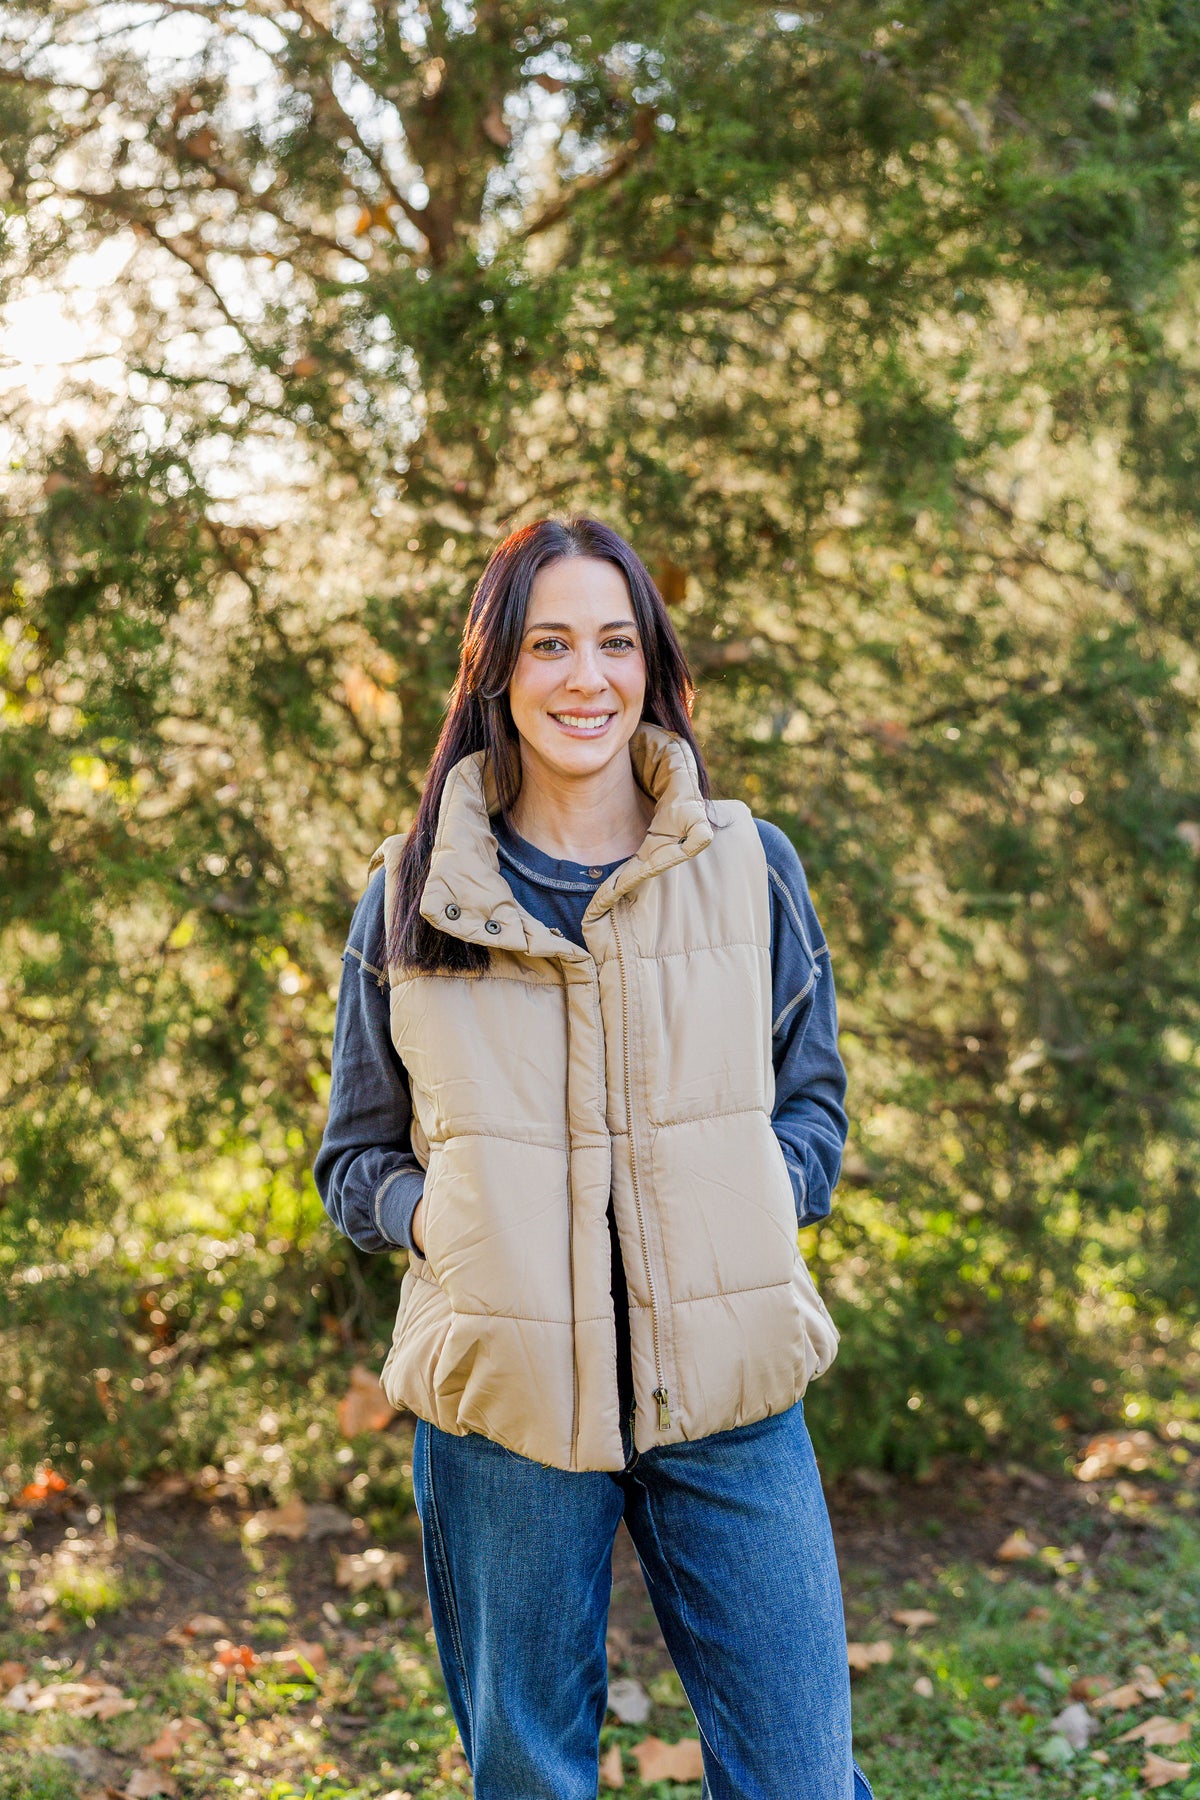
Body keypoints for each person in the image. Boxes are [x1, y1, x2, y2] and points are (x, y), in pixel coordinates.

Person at [313, 515, 874, 1800]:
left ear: (651, 662)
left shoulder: (748, 867)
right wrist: (457, 1224)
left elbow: (814, 1104)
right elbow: (356, 1158)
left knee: (803, 1777)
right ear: (498, 670)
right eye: (550, 642)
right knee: (531, 1778)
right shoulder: (412, 893)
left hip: (733, 1400)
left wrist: (756, 1204)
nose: (587, 676)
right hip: (506, 1410)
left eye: (615, 641)